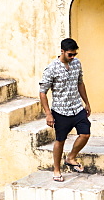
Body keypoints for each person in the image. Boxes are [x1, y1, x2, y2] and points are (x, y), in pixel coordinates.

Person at [39, 37, 91, 182]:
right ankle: (56, 169)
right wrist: (48, 114)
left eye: (74, 54)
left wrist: (86, 102)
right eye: (70, 54)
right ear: (62, 51)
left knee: (85, 133)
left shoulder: (77, 63)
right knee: (60, 140)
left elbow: (80, 82)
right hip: (61, 110)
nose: (73, 57)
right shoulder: (52, 69)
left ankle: (71, 157)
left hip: (76, 107)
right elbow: (43, 92)